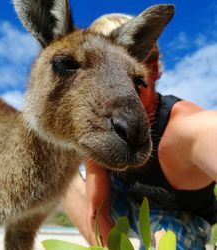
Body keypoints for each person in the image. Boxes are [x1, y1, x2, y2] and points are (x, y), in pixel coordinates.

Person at [62, 13, 217, 250]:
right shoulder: (102, 125)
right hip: (125, 206)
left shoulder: (189, 127)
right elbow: (98, 212)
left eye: (133, 79)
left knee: (164, 228)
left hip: (180, 219)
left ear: (152, 70)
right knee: (60, 165)